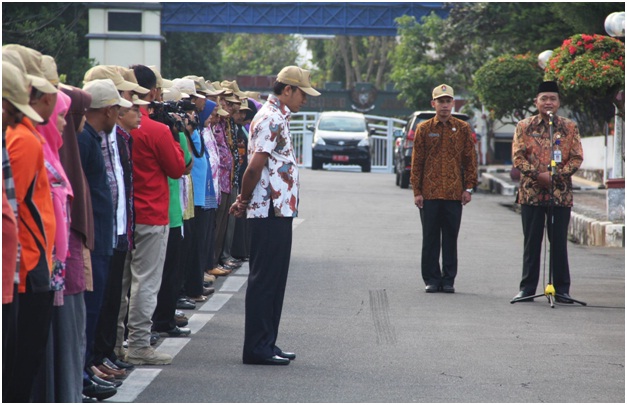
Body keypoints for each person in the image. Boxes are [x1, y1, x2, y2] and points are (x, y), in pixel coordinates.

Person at [230, 66, 320, 365]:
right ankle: (256, 347)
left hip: (278, 210)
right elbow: (254, 166)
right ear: (287, 90)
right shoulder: (270, 118)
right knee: (265, 279)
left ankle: (267, 342)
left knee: (275, 278)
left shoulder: (278, 117)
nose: (305, 100)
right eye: (302, 93)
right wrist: (243, 200)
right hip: (268, 209)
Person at [116, 64, 186, 366]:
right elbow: (176, 167)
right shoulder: (157, 130)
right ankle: (140, 344)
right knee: (145, 281)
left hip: (125, 215)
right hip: (152, 212)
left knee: (120, 283)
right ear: (151, 92)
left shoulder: (119, 127)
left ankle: (116, 344)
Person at [3, 44, 58, 402]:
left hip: (30, 260)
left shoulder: (26, 135)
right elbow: (16, 206)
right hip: (27, 264)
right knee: (22, 362)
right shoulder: (22, 139)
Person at [511, 81, 584, 304]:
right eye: (544, 98)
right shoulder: (524, 126)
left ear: (559, 102)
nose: (548, 102)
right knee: (532, 242)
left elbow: (577, 157)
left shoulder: (569, 127)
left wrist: (557, 175)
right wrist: (537, 175)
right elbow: (517, 156)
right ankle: (527, 288)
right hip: (531, 193)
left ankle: (562, 289)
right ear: (536, 102)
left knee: (559, 243)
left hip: (559, 194)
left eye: (553, 98)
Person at [410, 84, 478, 294]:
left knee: (450, 237)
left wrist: (468, 188)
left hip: (453, 193)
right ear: (433, 104)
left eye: (448, 101)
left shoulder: (463, 129)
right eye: (441, 101)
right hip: (429, 193)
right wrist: (417, 191)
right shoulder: (424, 129)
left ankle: (448, 279)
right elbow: (417, 161)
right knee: (430, 238)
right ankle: (431, 278)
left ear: (453, 104)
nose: (445, 106)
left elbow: (470, 159)